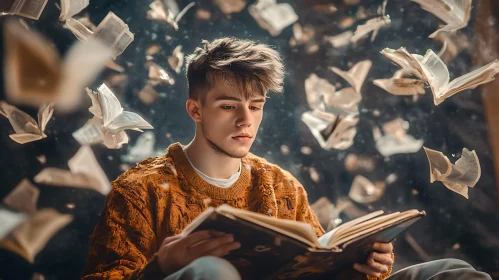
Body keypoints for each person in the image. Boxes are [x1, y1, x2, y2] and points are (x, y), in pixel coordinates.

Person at [81, 38, 491, 280]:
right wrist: (159, 268)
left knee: (450, 271)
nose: (246, 120)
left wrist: (359, 264)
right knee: (211, 273)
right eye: (228, 107)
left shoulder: (280, 185)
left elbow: (315, 269)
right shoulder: (140, 190)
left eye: (256, 106)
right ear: (195, 110)